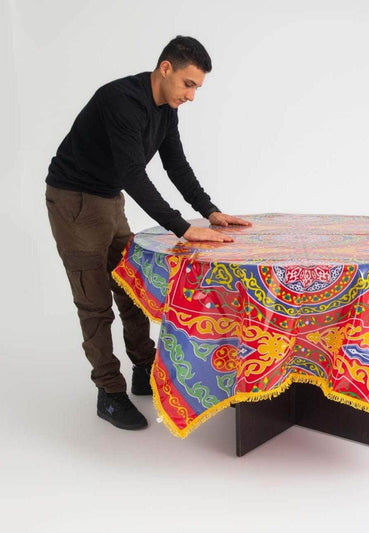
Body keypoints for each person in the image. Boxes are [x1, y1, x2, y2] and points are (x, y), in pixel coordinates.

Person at [45, 35, 250, 431]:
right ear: (165, 68)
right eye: (188, 84)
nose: (191, 96)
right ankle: (109, 392)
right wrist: (183, 228)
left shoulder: (166, 110)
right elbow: (132, 174)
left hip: (109, 200)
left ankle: (143, 369)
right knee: (94, 303)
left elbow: (176, 164)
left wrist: (209, 211)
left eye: (197, 88)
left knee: (132, 287)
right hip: (74, 202)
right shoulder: (120, 100)